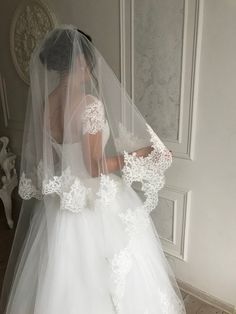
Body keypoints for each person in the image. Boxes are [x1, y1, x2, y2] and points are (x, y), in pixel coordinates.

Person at [0, 24, 186, 314]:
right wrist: (140, 154)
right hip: (94, 202)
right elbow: (96, 167)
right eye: (88, 58)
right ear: (77, 60)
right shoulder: (90, 105)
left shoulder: (46, 105)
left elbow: (53, 161)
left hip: (62, 203)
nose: (92, 65)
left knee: (59, 275)